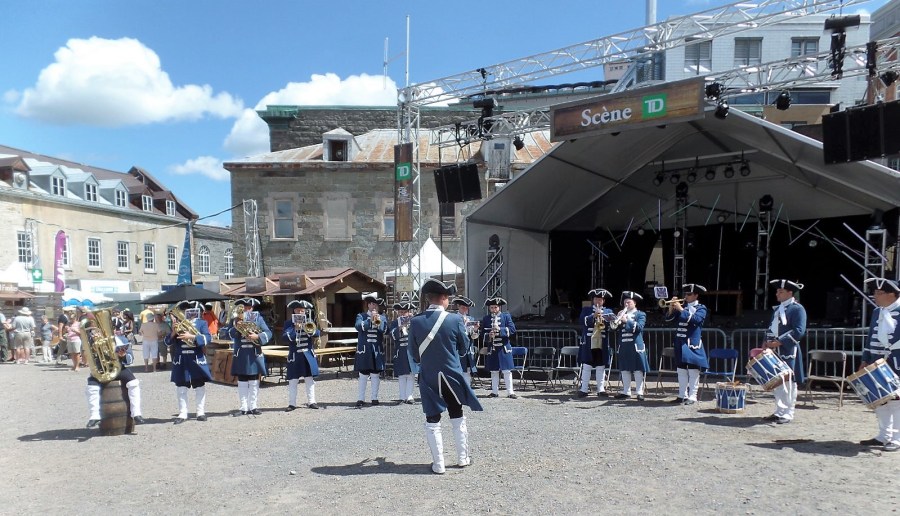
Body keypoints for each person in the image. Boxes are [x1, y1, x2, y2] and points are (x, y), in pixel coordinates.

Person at [409, 279, 483, 474]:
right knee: (457, 415)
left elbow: (414, 354)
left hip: (429, 376)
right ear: (442, 298)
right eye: (447, 297)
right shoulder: (454, 320)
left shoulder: (416, 322)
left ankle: (439, 464)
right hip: (451, 375)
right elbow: (463, 349)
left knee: (432, 420)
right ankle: (462, 458)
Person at [859, 278, 900, 451]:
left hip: (896, 362)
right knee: (880, 400)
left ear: (892, 294)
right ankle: (884, 435)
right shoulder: (877, 312)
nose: (875, 296)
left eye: (879, 293)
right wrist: (865, 359)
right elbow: (870, 338)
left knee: (897, 401)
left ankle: (897, 438)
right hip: (876, 361)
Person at [84, 313, 144, 428]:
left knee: (134, 383)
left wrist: (123, 355)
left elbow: (130, 359)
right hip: (101, 369)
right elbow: (89, 358)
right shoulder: (92, 340)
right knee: (91, 387)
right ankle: (94, 415)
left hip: (118, 368)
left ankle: (136, 413)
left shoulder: (122, 339)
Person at [762, 279, 807, 425]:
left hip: (788, 349)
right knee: (777, 382)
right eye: (777, 291)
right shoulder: (777, 309)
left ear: (790, 293)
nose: (777, 294)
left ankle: (788, 412)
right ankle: (779, 411)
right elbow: (771, 327)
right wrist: (766, 341)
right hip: (775, 350)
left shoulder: (797, 309)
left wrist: (780, 341)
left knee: (789, 382)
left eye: (780, 291)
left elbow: (799, 331)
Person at [166, 301, 213, 424]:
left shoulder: (202, 323)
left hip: (196, 357)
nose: (187, 311)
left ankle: (200, 412)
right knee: (181, 387)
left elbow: (208, 338)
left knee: (199, 386)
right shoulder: (177, 324)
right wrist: (173, 332)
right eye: (185, 310)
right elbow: (167, 342)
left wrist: (191, 336)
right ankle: (183, 413)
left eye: (190, 309)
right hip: (181, 359)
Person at [664, 284, 709, 405]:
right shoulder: (682, 307)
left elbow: (696, 320)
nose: (686, 296)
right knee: (681, 369)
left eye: (689, 294)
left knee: (693, 370)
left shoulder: (701, 308)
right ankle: (681, 395)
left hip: (692, 343)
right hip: (680, 342)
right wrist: (670, 308)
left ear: (696, 295)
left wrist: (680, 309)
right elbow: (668, 320)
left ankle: (692, 396)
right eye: (685, 294)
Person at [228, 297, 272, 416]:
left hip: (254, 353)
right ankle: (243, 408)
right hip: (241, 353)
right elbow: (229, 334)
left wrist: (257, 337)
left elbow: (268, 332)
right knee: (242, 381)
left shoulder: (258, 318)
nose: (247, 310)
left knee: (253, 380)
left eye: (249, 307)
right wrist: (236, 326)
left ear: (252, 308)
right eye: (245, 308)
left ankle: (253, 406)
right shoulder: (235, 319)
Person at [282, 299, 320, 411]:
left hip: (307, 355)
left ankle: (312, 401)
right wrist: (295, 329)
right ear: (294, 311)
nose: (300, 313)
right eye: (298, 310)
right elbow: (285, 337)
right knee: (293, 380)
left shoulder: (309, 321)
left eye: (302, 311)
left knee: (309, 379)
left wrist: (309, 330)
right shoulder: (288, 323)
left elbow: (317, 333)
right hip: (295, 356)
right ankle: (292, 404)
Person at [611, 291, 649, 401]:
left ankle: (639, 392)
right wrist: (616, 320)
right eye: (625, 302)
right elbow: (614, 328)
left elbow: (639, 327)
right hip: (624, 345)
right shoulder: (621, 313)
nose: (626, 304)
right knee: (625, 369)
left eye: (629, 302)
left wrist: (626, 320)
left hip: (636, 345)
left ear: (635, 303)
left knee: (638, 369)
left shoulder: (640, 314)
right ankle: (626, 391)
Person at [577, 288, 614, 398]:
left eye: (600, 299)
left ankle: (601, 389)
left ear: (603, 301)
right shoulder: (586, 310)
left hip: (601, 342)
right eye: (596, 299)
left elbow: (612, 326)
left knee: (600, 366)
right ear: (593, 300)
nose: (598, 301)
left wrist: (605, 318)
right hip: (589, 342)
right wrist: (593, 316)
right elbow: (581, 321)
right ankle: (584, 389)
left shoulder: (608, 311)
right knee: (587, 365)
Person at [354, 292, 387, 408]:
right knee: (363, 374)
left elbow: (384, 330)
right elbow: (358, 327)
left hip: (376, 350)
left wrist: (378, 321)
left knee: (375, 374)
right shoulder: (361, 316)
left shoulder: (382, 317)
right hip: (365, 350)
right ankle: (360, 398)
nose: (373, 306)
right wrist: (369, 320)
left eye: (375, 305)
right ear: (368, 305)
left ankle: (374, 397)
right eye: (371, 304)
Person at [481, 297, 517, 399]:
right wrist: (489, 335)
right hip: (492, 348)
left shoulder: (506, 317)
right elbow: (482, 333)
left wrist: (500, 330)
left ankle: (510, 392)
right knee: (494, 371)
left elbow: (512, 329)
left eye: (495, 307)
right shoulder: (486, 319)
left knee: (507, 371)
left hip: (504, 348)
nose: (493, 309)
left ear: (499, 307)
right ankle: (494, 392)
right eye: (491, 307)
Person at [390, 300, 418, 404]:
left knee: (411, 374)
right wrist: (401, 327)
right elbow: (392, 336)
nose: (402, 314)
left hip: (410, 350)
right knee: (401, 375)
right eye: (400, 312)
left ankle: (409, 396)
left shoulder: (413, 321)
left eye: (404, 312)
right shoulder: (394, 323)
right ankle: (402, 397)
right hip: (400, 351)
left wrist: (412, 320)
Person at [451, 296, 479, 386]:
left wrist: (475, 329)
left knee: (467, 369)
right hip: (457, 347)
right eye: (463, 307)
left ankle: (467, 389)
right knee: (458, 369)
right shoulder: (453, 318)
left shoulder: (471, 318)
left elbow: (474, 337)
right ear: (458, 307)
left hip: (468, 348)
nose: (465, 310)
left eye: (466, 308)